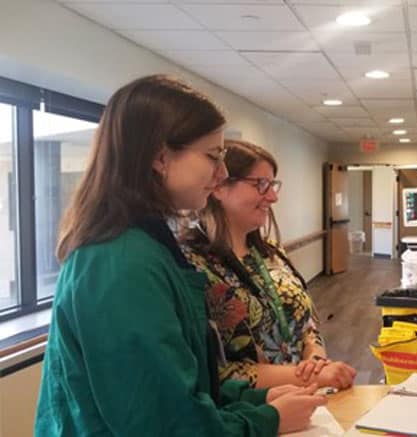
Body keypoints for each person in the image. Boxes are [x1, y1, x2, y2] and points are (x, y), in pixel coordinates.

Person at [35, 75, 325, 436]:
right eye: (212, 156)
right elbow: (163, 424)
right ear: (159, 157)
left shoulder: (145, 246)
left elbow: (179, 381)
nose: (220, 173)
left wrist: (255, 400)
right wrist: (268, 420)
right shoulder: (121, 263)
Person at [180, 139, 357, 390]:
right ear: (219, 186)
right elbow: (209, 371)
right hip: (253, 414)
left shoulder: (270, 252)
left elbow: (306, 322)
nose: (272, 197)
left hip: (304, 399)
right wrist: (307, 376)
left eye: (272, 184)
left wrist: (315, 360)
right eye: (260, 184)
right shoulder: (189, 266)